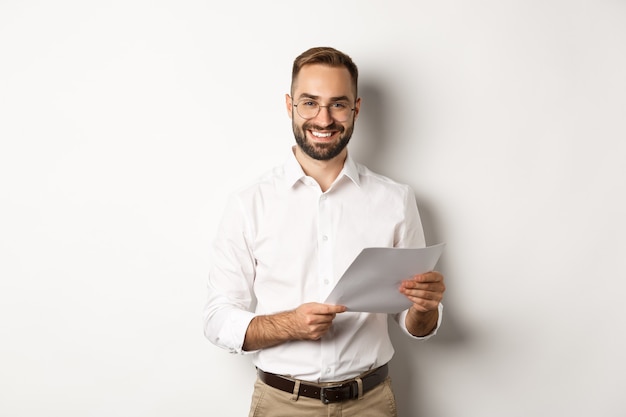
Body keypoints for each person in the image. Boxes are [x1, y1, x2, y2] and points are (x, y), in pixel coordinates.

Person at [203, 46, 446, 417]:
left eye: (338, 104)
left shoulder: (396, 200)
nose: (324, 118)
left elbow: (411, 320)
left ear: (356, 110)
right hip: (282, 404)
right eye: (309, 103)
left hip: (371, 403)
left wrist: (425, 309)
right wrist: (289, 325)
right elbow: (217, 319)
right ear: (290, 106)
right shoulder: (248, 204)